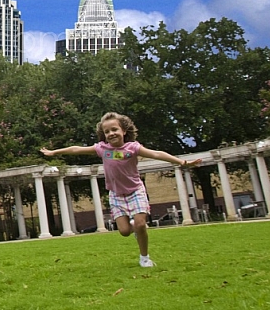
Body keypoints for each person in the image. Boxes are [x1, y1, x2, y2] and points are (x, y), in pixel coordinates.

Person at [40, 111, 202, 268]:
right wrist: (54, 152)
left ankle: (144, 258)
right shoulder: (102, 149)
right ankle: (134, 225)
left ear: (124, 131)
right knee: (124, 231)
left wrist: (182, 163)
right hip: (116, 195)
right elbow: (76, 149)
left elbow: (157, 154)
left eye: (114, 129)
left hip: (135, 191)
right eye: (107, 131)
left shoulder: (133, 148)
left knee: (140, 225)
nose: (111, 133)